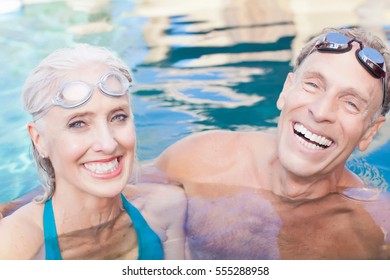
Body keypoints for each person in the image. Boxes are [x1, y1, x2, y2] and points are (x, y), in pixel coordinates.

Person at [154, 27, 390, 259]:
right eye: (313, 85)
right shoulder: (199, 160)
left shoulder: (376, 231)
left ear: (370, 131)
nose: (320, 112)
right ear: (286, 90)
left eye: (351, 103)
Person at [0, 44, 186, 260]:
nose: (107, 144)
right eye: (78, 123)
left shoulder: (167, 208)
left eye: (118, 117)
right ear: (39, 140)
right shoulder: (13, 246)